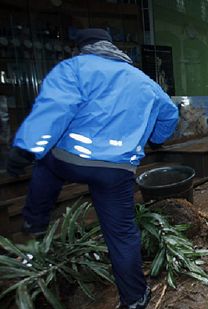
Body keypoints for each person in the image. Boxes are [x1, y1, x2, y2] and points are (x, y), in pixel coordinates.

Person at [6, 29, 179, 309]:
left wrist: (26, 148)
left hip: (69, 159)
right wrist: (157, 138)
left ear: (82, 49)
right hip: (116, 170)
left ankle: (35, 224)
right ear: (111, 48)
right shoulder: (143, 81)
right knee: (122, 235)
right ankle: (135, 299)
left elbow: (54, 108)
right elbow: (170, 112)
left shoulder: (73, 68)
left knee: (46, 167)